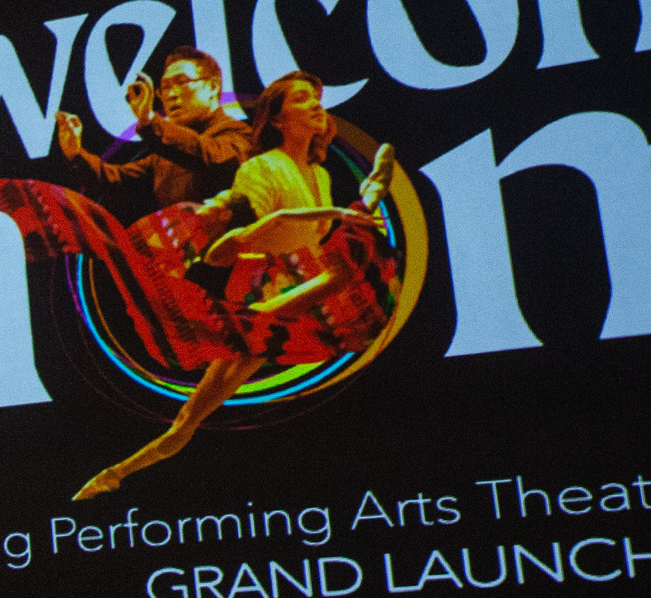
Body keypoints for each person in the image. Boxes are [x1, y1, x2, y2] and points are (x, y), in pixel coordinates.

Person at [72, 73, 396, 498]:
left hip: (304, 286)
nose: (316, 105)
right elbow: (244, 232)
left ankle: (369, 196)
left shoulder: (320, 175)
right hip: (265, 291)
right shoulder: (261, 167)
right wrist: (226, 215)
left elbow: (313, 241)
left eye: (317, 98)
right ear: (277, 119)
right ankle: (113, 475)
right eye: (302, 99)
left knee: (348, 264)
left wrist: (339, 220)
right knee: (190, 416)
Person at [52, 46, 253, 217]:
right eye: (165, 88)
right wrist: (75, 154)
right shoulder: (162, 156)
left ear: (213, 86)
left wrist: (150, 120)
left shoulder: (238, 133)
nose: (171, 94)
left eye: (182, 82)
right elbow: (114, 180)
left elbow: (208, 154)